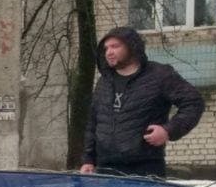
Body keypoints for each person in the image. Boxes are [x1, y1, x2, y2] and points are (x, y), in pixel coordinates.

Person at [81, 27, 204, 178]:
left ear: (132, 46)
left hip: (145, 168)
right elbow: (93, 122)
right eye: (106, 48)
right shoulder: (104, 81)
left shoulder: (159, 75)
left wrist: (168, 130)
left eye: (115, 46)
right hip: (106, 169)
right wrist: (88, 159)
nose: (109, 52)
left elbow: (194, 102)